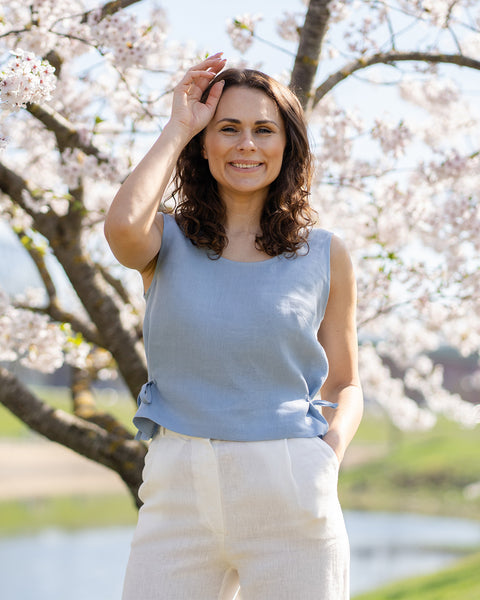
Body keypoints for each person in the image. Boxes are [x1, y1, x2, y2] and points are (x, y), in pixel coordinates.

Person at [105, 52, 363, 600]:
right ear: (205, 143)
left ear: (286, 146)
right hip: (178, 486)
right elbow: (122, 226)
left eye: (264, 130)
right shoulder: (164, 241)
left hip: (292, 482)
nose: (247, 144)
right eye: (229, 128)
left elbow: (345, 382)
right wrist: (178, 124)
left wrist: (327, 458)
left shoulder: (325, 254)